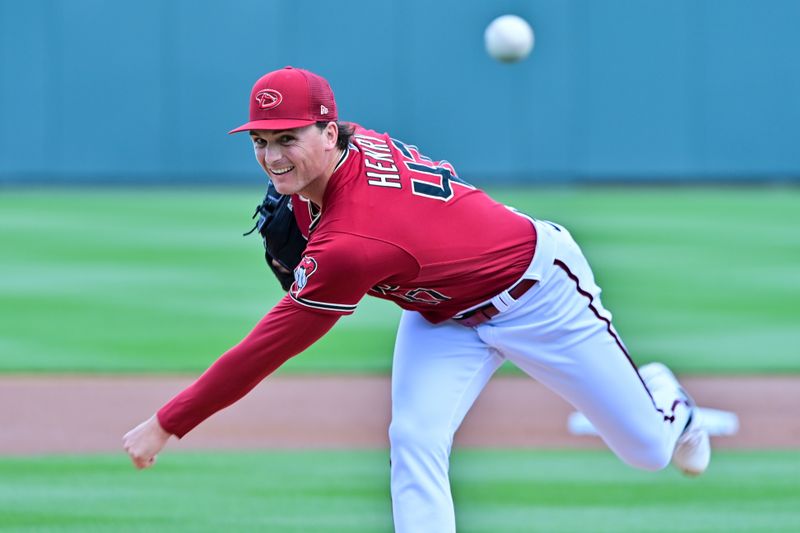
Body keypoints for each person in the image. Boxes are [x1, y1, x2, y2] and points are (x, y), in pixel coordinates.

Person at [123, 66, 711, 532]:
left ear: (329, 133)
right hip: (443, 315)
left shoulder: (352, 240)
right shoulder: (341, 156)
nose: (273, 157)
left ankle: (667, 397)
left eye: (288, 139)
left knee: (648, 450)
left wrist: (168, 422)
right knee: (414, 438)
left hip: (539, 294)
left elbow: (266, 348)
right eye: (261, 140)